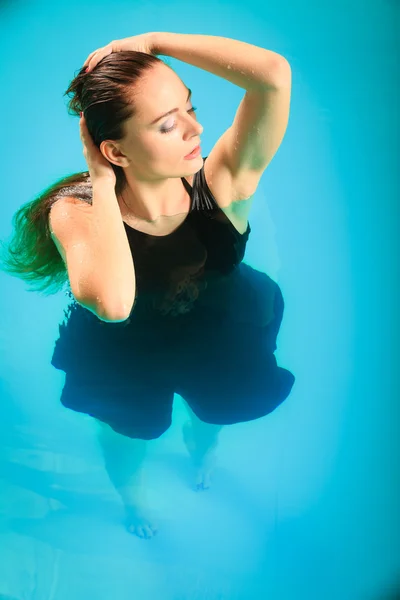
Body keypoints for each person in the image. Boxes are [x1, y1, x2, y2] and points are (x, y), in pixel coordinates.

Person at [0, 32, 295, 539]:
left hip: (222, 328)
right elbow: (113, 306)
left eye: (190, 108)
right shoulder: (74, 208)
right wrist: (103, 180)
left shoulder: (222, 183)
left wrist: (156, 41)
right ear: (115, 150)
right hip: (123, 349)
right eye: (167, 124)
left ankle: (201, 446)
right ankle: (132, 498)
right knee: (127, 438)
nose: (196, 129)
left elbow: (271, 77)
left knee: (213, 416)